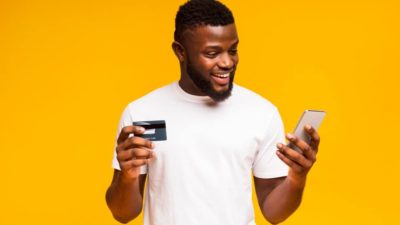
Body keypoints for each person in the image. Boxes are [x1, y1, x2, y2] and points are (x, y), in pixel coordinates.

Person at [106, 0, 321, 224]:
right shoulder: (142, 112)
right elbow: (123, 214)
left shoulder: (261, 113)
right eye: (212, 53)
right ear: (180, 51)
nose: (227, 62)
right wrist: (127, 176)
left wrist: (297, 178)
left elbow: (274, 213)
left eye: (233, 50)